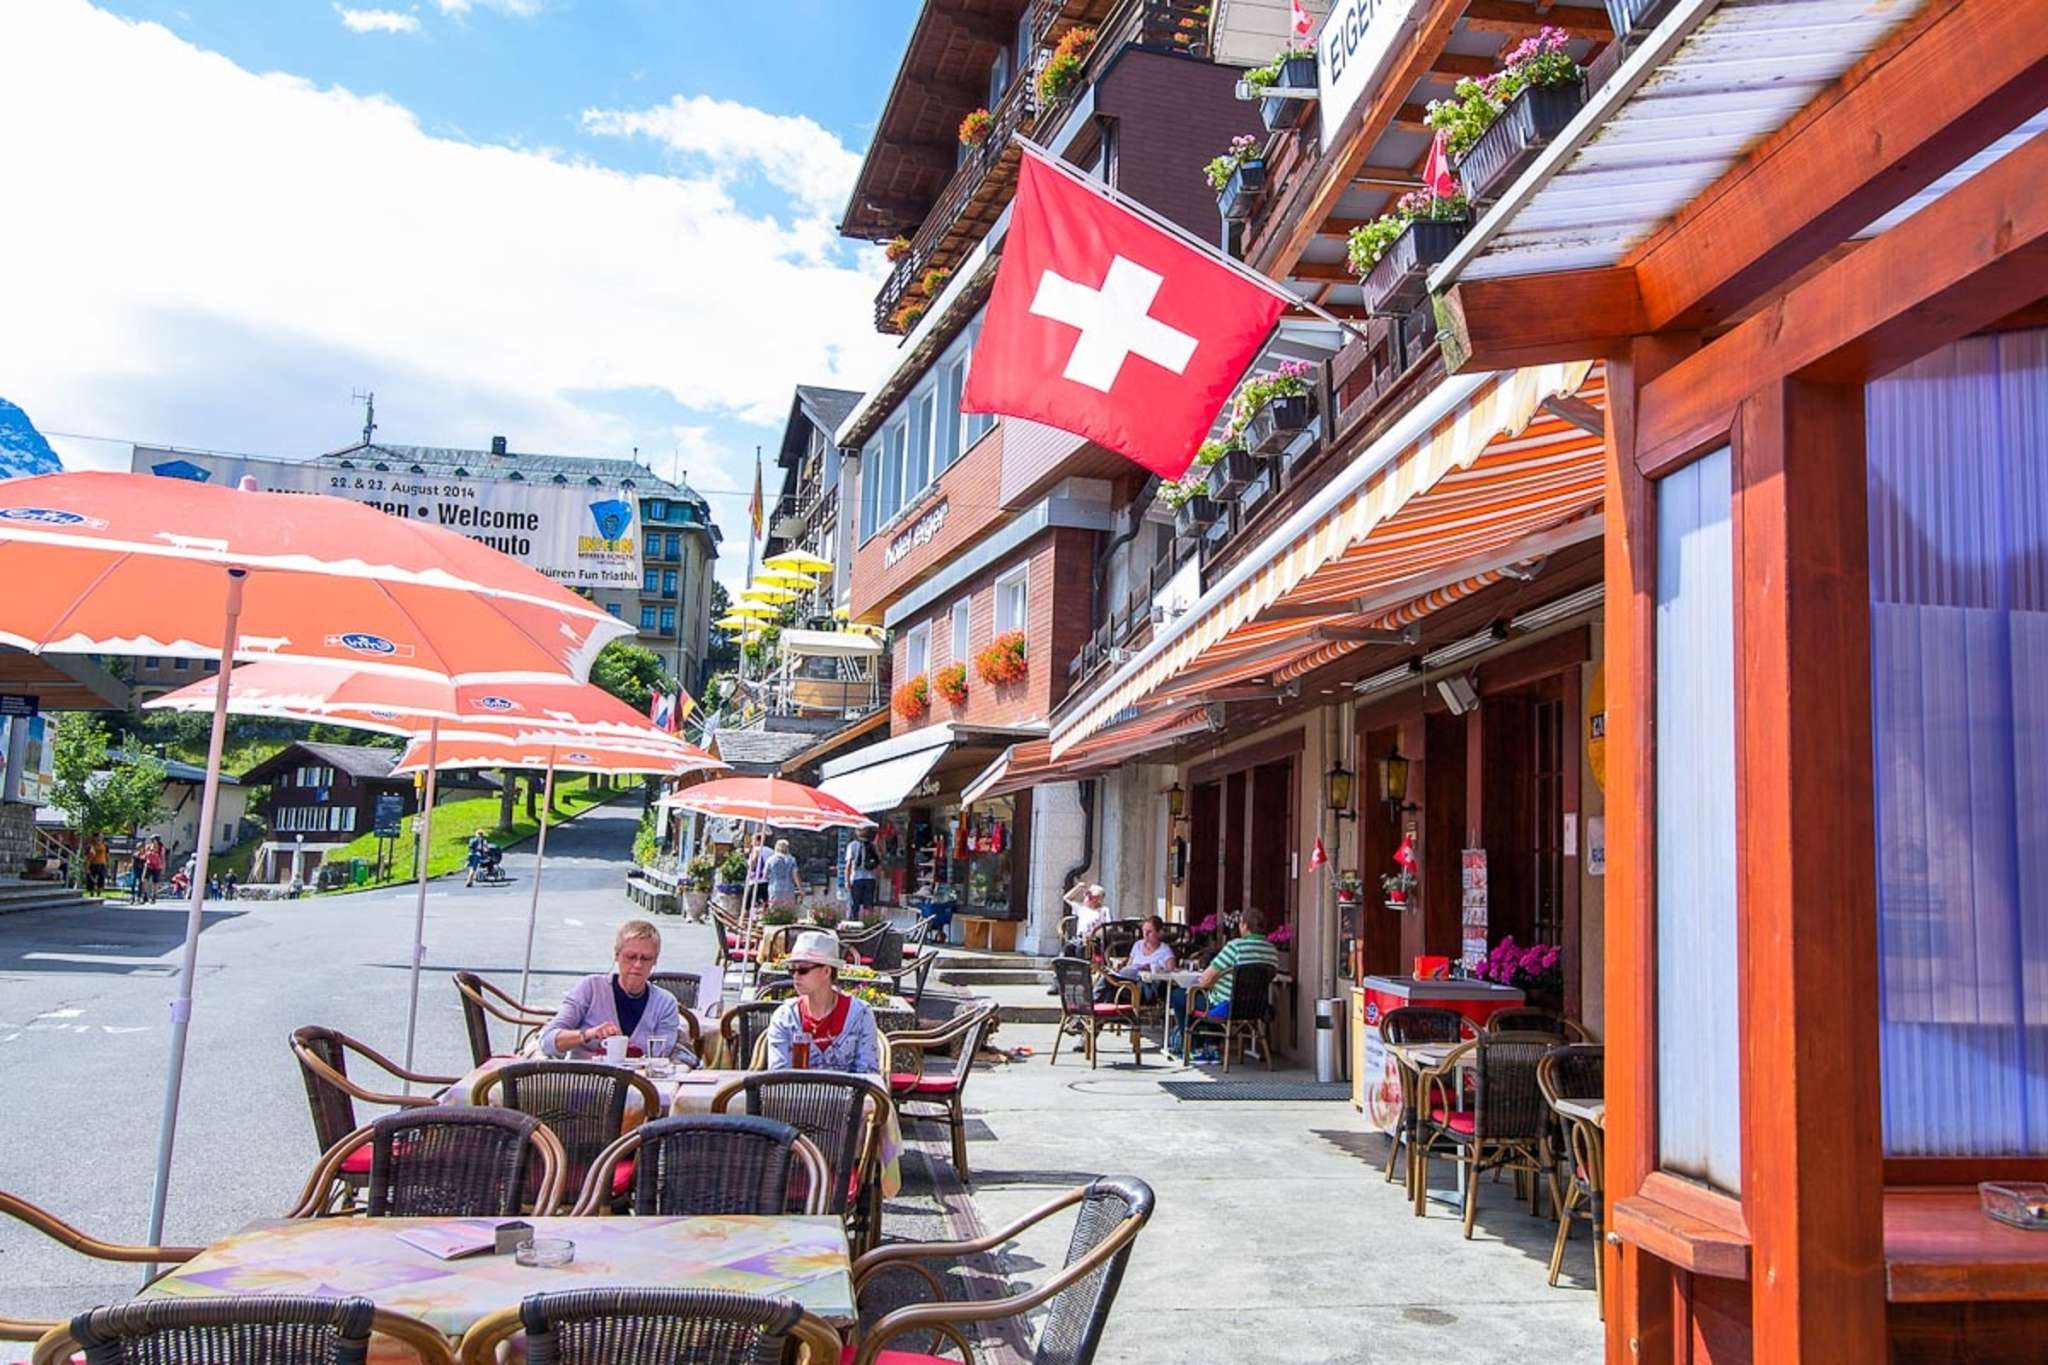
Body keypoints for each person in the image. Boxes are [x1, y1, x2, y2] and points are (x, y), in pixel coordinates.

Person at [540, 919, 694, 1063]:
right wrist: (589, 1034)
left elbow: (661, 1058)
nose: (638, 965)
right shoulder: (591, 988)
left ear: (655, 960)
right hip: (585, 1078)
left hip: (640, 1080)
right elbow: (547, 1041)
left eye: (646, 958)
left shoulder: (665, 1003)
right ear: (616, 955)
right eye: (631, 957)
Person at [764, 930, 881, 1074]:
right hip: (795, 1089)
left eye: (803, 970)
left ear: (826, 971)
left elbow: (868, 1074)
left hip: (848, 1090)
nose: (795, 976)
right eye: (792, 970)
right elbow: (778, 1076)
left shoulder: (860, 1014)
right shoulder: (785, 1017)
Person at [1169, 907, 1280, 1057]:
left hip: (1227, 1006)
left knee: (1180, 996)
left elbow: (1205, 979)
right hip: (1256, 1007)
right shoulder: (1272, 951)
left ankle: (1194, 1047)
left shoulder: (1235, 947)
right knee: (1208, 997)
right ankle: (1212, 1044)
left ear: (1245, 925)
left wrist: (1201, 984)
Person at [1099, 915, 1175, 1004]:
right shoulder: (1138, 945)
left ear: (1159, 933)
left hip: (1143, 988)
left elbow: (1172, 975)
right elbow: (1129, 966)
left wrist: (1151, 969)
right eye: (1144, 931)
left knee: (1108, 983)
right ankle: (1099, 1006)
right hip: (1128, 982)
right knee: (1107, 979)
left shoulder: (1165, 951)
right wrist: (1121, 968)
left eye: (1149, 932)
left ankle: (1094, 1003)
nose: (1145, 935)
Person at [1062, 882, 1110, 957]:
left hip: (1094, 939)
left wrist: (1095, 933)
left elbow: (1108, 926)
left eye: (1091, 896)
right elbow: (1066, 898)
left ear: (1098, 899)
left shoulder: (1103, 910)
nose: (1087, 897)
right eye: (1087, 895)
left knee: (1081, 949)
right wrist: (1078, 887)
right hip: (1080, 938)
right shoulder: (1081, 908)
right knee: (1068, 948)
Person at [761, 838, 803, 915]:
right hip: (789, 889)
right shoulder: (792, 860)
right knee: (788, 912)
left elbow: (765, 875)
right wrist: (800, 889)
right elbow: (795, 875)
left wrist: (771, 878)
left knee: (775, 912)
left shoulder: (770, 859)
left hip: (774, 888)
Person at [842, 829, 878, 915]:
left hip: (856, 878)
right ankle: (869, 921)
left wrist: (847, 881)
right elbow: (878, 862)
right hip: (870, 878)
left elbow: (848, 864)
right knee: (868, 905)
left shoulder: (852, 845)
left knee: (854, 905)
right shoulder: (872, 845)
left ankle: (853, 921)